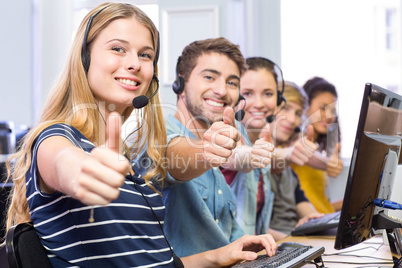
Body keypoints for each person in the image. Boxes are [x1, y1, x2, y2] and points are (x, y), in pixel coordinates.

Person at [3, 3, 277, 267]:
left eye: (145, 55)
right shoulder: (56, 137)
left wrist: (218, 256)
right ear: (84, 58)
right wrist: (80, 172)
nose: (134, 63)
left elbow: (155, 262)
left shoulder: (128, 159)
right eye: (118, 49)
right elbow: (62, 160)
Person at [162, 38, 274, 257]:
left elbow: (228, 239)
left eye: (232, 83)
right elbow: (173, 156)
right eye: (209, 77)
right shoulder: (158, 132)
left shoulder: (218, 171)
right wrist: (208, 150)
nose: (222, 90)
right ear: (180, 83)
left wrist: (250, 243)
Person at [219, 57, 279, 236]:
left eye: (268, 94)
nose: (259, 103)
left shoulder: (263, 139)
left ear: (279, 97)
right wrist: (248, 156)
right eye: (248, 93)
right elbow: (235, 157)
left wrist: (299, 236)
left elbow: (253, 228)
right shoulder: (228, 134)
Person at [268, 81, 324, 240]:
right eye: (286, 108)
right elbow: (253, 229)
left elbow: (309, 212)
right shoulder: (251, 161)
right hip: (279, 244)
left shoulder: (289, 172)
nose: (292, 119)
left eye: (298, 113)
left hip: (291, 239)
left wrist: (327, 224)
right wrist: (295, 239)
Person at [291, 76, 343, 213]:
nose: (330, 115)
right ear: (305, 106)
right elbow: (302, 150)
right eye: (323, 108)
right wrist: (327, 163)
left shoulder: (316, 147)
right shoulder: (293, 137)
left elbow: (320, 204)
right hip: (309, 224)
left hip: (322, 219)